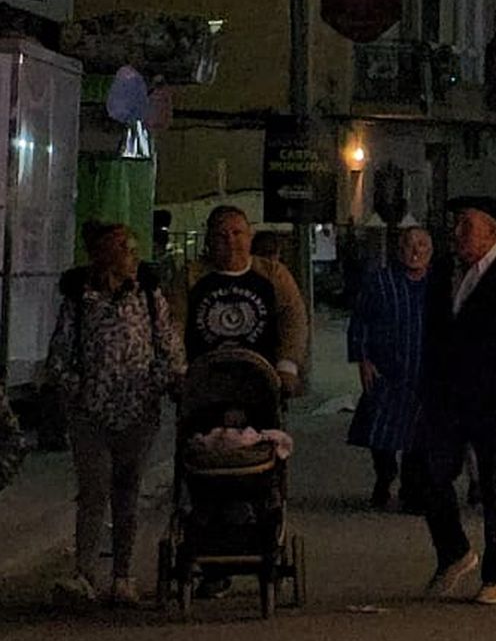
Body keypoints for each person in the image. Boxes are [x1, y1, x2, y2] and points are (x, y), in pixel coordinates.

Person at [44, 221, 183, 606]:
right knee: (93, 490)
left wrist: (158, 381)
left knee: (127, 491)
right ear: (104, 255)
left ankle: (122, 575)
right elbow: (60, 354)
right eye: (124, 250)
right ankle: (83, 572)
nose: (132, 258)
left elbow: (167, 346)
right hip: (91, 412)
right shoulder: (80, 299)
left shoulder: (149, 296)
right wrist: (78, 390)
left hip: (137, 410)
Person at [418, 197, 496, 607]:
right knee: (427, 474)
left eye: (468, 226)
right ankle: (454, 551)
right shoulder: (443, 273)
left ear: (492, 231)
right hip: (446, 397)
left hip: (495, 399)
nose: (458, 234)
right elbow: (434, 336)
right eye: (456, 225)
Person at [177, 204, 309, 394]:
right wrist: (179, 369)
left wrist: (287, 365)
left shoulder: (273, 273)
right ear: (209, 241)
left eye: (237, 233)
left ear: (250, 237)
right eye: (221, 236)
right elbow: (174, 322)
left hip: (262, 375)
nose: (230, 241)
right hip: (204, 377)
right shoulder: (190, 275)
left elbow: (293, 319)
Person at [348, 220, 433, 510]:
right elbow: (360, 321)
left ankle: (412, 491)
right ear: (399, 249)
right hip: (386, 371)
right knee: (380, 435)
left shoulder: (438, 285)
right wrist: (363, 359)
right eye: (409, 245)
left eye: (421, 245)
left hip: (424, 372)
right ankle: (385, 476)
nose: (415, 251)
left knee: (419, 438)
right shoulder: (380, 281)